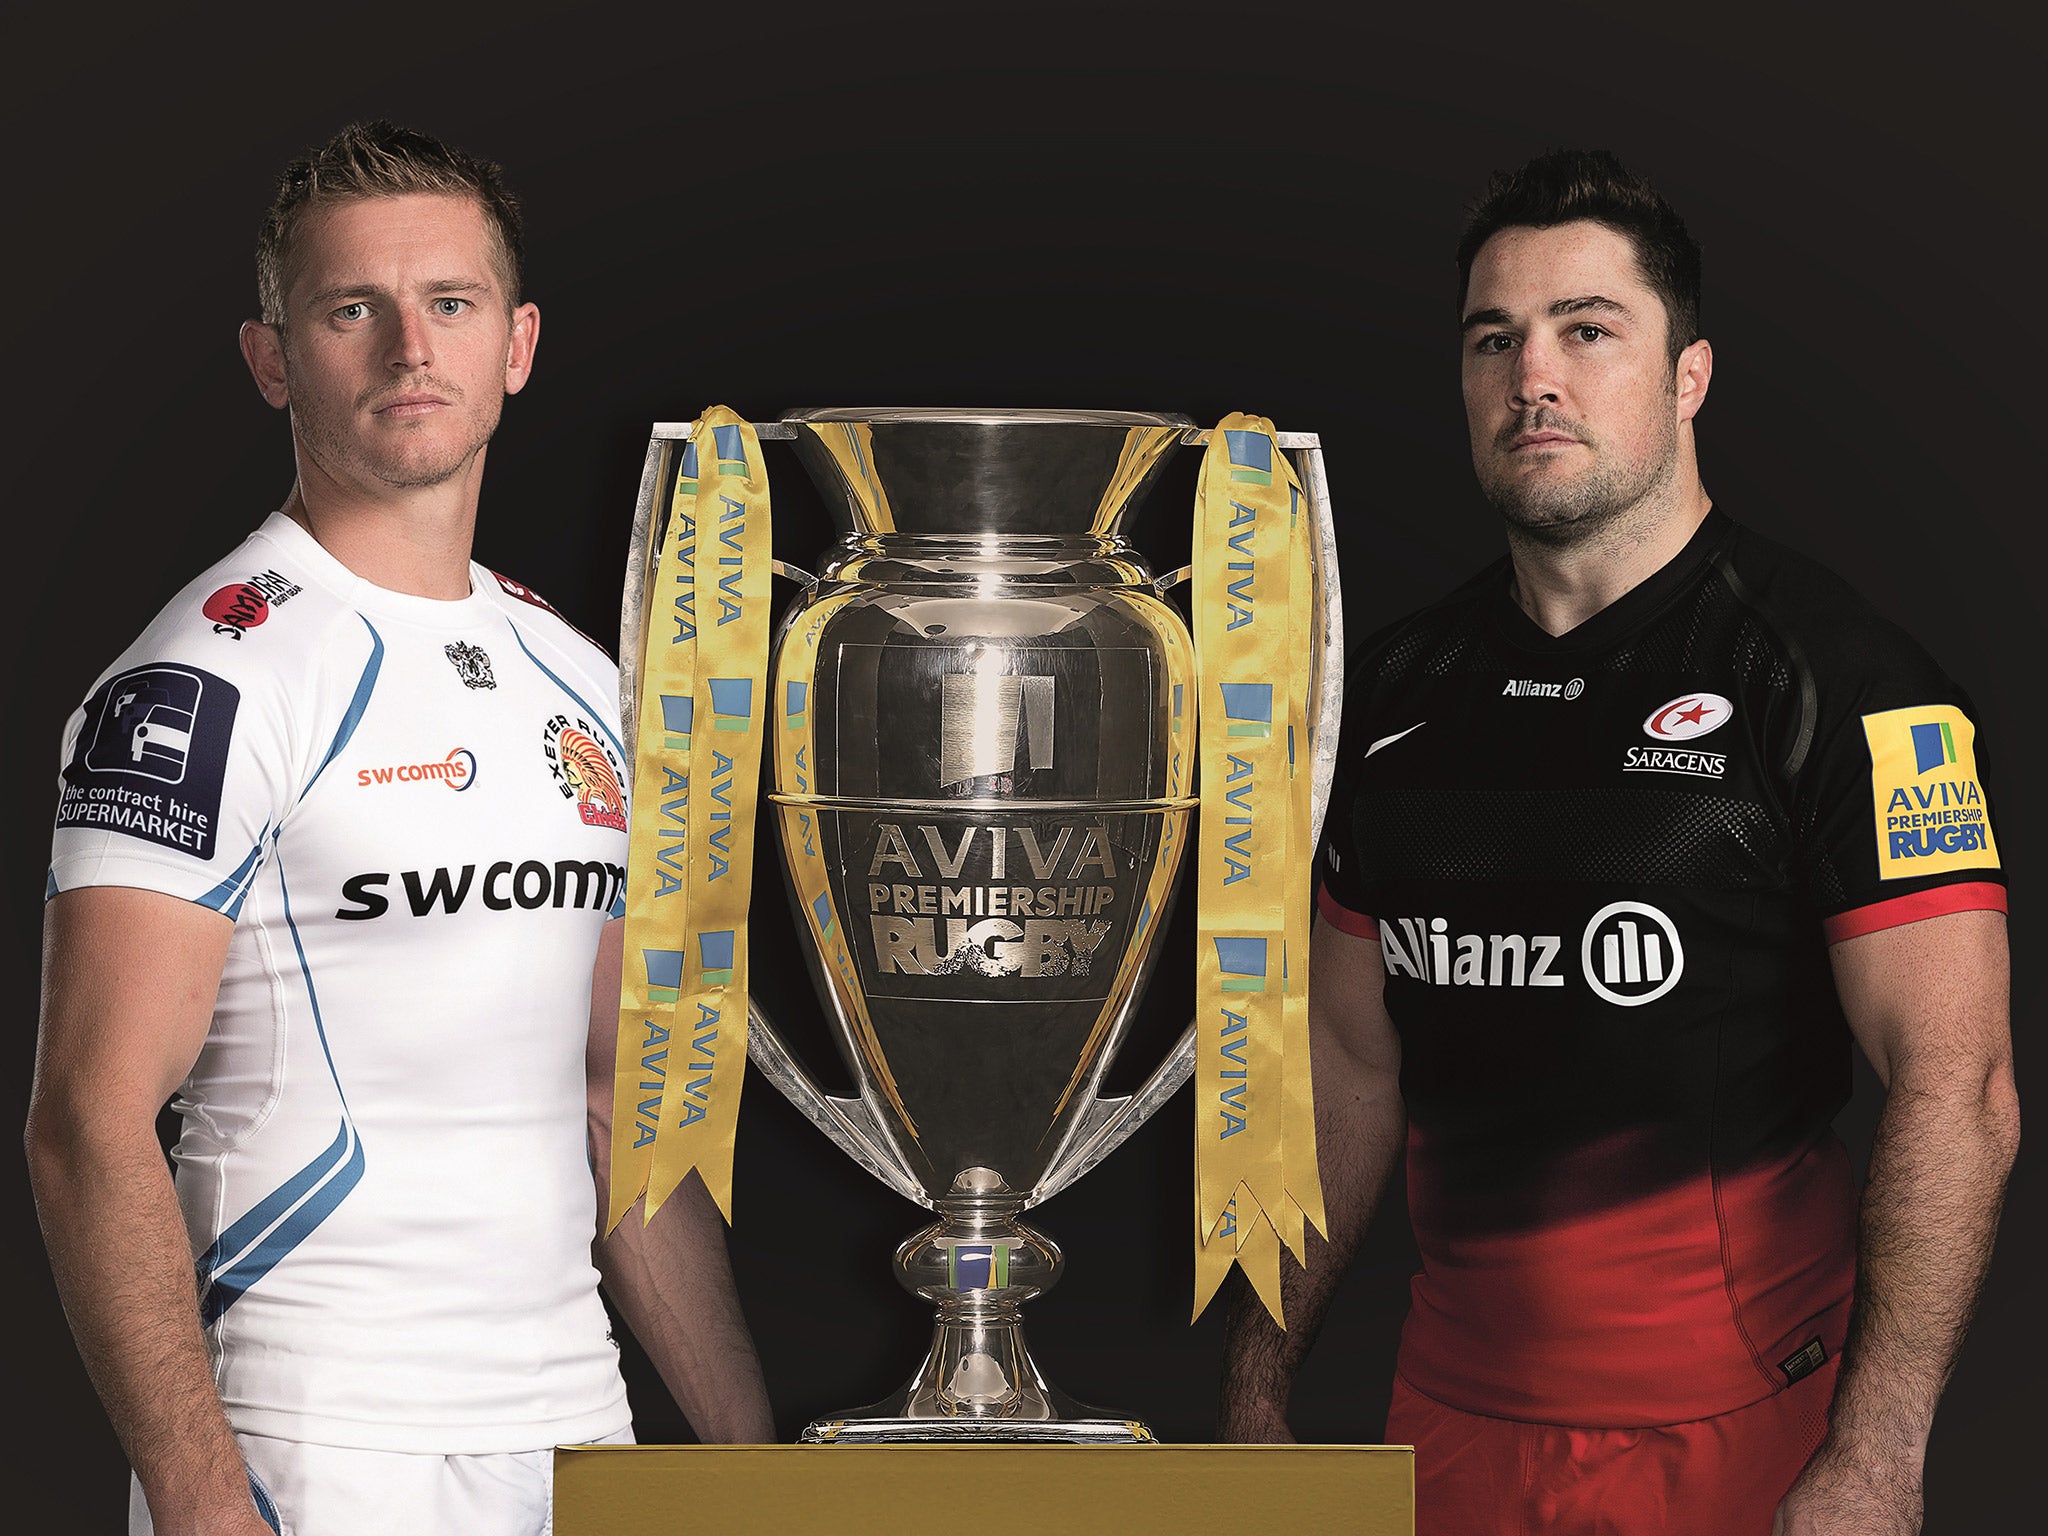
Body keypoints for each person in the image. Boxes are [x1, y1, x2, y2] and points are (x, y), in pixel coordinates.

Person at [1218, 149, 2018, 1535]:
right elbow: (1345, 1067)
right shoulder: (1387, 697)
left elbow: (1960, 1088)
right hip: (1449, 1439)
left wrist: (1878, 1459)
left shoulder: (1839, 683)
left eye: (1589, 330)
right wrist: (1251, 1385)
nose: (1536, 374)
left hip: (1749, 1446)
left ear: (1689, 376)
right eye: (1495, 339)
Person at [25, 122, 773, 1536]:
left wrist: (747, 1460)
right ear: (272, 359)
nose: (407, 350)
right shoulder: (206, 682)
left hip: (576, 1439)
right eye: (349, 309)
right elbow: (86, 1122)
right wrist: (203, 1502)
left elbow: (617, 1104)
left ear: (518, 343)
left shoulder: (586, 683)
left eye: (451, 304)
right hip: (313, 1447)